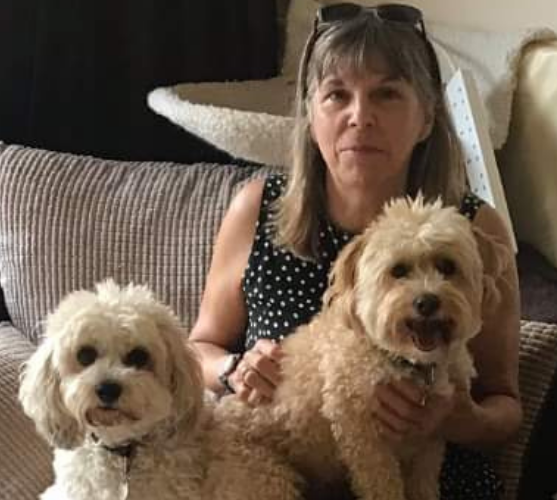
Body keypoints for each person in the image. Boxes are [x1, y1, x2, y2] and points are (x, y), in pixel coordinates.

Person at [188, 3, 522, 499]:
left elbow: (506, 404)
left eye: (386, 94)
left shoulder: (473, 229)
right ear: (311, 114)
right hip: (281, 463)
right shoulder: (258, 208)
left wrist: (461, 418)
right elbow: (198, 350)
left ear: (427, 116)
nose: (359, 117)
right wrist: (233, 369)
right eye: (336, 95)